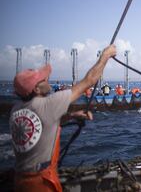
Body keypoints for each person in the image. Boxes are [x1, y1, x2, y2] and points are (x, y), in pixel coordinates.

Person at [9, 44, 116, 192]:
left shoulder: (17, 109)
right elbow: (89, 81)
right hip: (41, 183)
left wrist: (71, 116)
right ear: (36, 89)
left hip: (20, 179)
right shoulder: (49, 104)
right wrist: (105, 55)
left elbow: (43, 123)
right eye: (42, 79)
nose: (47, 78)